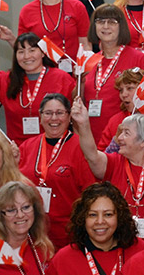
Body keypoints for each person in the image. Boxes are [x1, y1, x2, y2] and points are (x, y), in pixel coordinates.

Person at [72, 103, 144, 248]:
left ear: (143, 142)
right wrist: (83, 124)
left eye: (126, 133)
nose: (119, 138)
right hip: (119, 247)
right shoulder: (114, 163)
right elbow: (92, 155)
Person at [0, 33, 77, 143]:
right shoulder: (7, 79)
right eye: (21, 52)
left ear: (43, 53)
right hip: (18, 150)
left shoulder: (61, 78)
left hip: (53, 145)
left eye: (32, 50)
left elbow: (76, 111)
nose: (27, 56)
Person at [18, 93, 96, 249]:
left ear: (69, 117)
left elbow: (90, 195)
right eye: (48, 113)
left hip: (68, 235)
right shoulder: (27, 146)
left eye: (60, 113)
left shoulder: (80, 147)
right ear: (40, 117)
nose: (54, 118)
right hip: (31, 232)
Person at [83, 4, 144, 140]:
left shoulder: (138, 59)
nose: (105, 26)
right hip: (92, 139)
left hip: (125, 139)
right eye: (100, 22)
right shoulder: (89, 62)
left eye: (112, 22)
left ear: (121, 27)